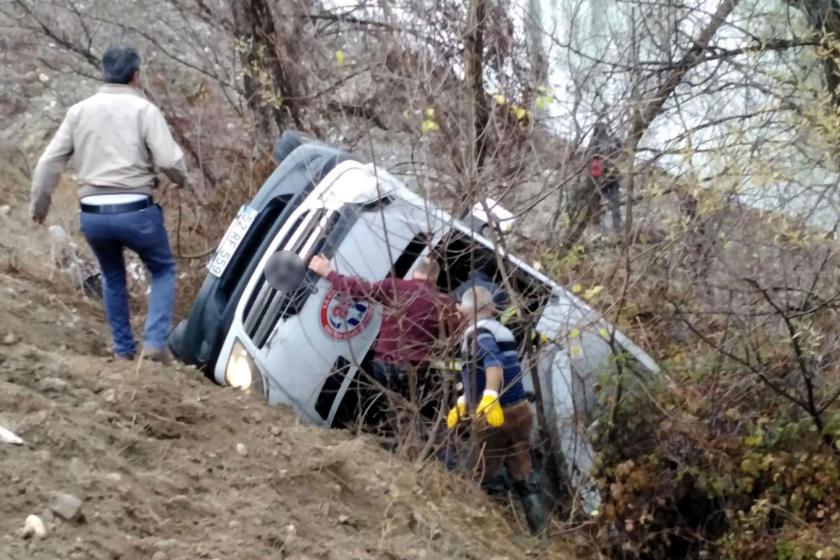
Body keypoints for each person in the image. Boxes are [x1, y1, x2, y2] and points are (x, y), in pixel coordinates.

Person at [30, 45, 187, 362]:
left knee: (112, 275)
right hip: (137, 212)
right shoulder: (144, 110)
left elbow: (48, 163)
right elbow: (170, 160)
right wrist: (179, 178)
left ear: (103, 72)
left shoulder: (78, 112)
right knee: (162, 269)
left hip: (94, 215)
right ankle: (155, 342)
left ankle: (123, 350)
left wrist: (39, 207)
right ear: (135, 75)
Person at [448, 286, 549, 542]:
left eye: (461, 306)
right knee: (522, 470)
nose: (458, 311)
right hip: (520, 411)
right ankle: (542, 538)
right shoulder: (501, 330)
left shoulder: (477, 333)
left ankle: (475, 534)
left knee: (478, 473)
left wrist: (490, 397)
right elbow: (475, 371)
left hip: (497, 415)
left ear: (471, 310)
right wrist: (463, 401)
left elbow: (493, 363)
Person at [307, 255, 455, 388]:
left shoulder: (394, 286)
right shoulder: (444, 303)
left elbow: (360, 290)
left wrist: (328, 272)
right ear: (435, 278)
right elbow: (453, 333)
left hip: (383, 364)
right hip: (413, 370)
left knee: (387, 401)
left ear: (414, 272)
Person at [587, 119, 622, 233]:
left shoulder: (595, 141)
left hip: (600, 176)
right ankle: (615, 225)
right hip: (608, 175)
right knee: (613, 201)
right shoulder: (612, 140)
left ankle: (600, 223)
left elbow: (589, 158)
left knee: (600, 200)